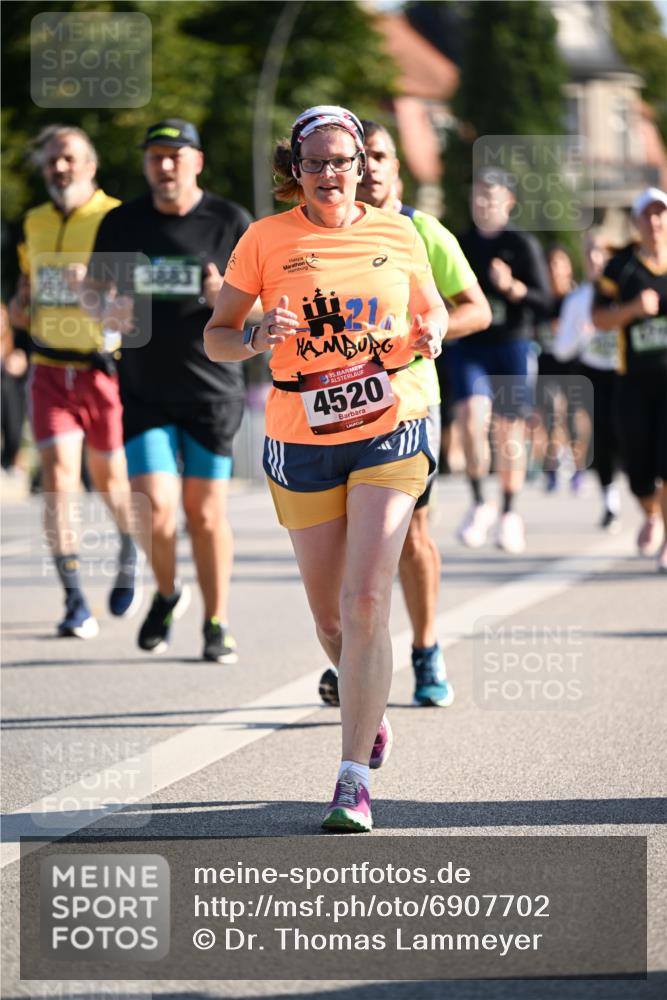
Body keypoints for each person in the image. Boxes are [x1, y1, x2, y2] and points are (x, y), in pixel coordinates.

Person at [204, 106, 447, 832]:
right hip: (301, 435)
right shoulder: (264, 239)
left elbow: (431, 309)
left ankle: (350, 783)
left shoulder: (396, 232)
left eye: (344, 161)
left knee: (366, 599)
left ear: (360, 165)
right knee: (331, 617)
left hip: (390, 425)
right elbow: (216, 337)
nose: (332, 174)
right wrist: (252, 334)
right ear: (296, 169)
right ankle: (362, 697)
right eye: (316, 163)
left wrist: (430, 328)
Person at [316, 119, 491, 710]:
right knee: (338, 539)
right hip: (334, 405)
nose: (370, 170)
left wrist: (430, 332)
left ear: (394, 168)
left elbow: (476, 309)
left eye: (382, 157)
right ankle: (357, 658)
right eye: (362, 158)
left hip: (409, 402)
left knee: (410, 532)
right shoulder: (321, 230)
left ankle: (424, 646)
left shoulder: (421, 230)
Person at [89, 119, 253, 661]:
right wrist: (104, 308)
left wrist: (221, 297)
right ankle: (166, 592)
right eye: (155, 157)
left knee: (204, 516)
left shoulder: (230, 222)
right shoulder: (121, 223)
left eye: (175, 157)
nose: (164, 167)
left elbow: (263, 309)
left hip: (212, 391)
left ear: (197, 162)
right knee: (155, 509)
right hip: (145, 389)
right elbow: (94, 294)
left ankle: (217, 620)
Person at [8, 125, 140, 638]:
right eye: (51, 162)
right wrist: (22, 305)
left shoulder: (117, 218)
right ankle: (74, 599)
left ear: (91, 164)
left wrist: (94, 293)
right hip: (47, 369)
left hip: (101, 369)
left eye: (68, 159)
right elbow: (23, 305)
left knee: (108, 481)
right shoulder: (34, 222)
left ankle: (130, 549)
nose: (58, 169)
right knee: (58, 479)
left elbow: (134, 309)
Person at [452, 170, 553, 553]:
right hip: (471, 345)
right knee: (470, 422)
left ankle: (510, 513)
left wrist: (512, 286)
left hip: (512, 344)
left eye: (491, 198)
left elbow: (546, 301)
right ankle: (481, 503)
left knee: (508, 433)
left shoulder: (521, 244)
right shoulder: (460, 244)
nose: (483, 204)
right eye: (478, 197)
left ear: (508, 202)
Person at [592, 187, 667, 572]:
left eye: (660, 214)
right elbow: (598, 318)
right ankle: (651, 513)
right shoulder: (621, 268)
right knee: (638, 471)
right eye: (647, 216)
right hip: (633, 382)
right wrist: (634, 309)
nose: (654, 222)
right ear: (637, 223)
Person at [553, 234, 621, 529]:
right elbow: (560, 348)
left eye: (602, 253)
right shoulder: (577, 299)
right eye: (591, 253)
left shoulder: (626, 290)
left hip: (626, 372)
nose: (596, 259)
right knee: (600, 436)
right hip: (593, 373)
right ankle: (609, 498)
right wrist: (582, 337)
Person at [535, 246, 590, 494]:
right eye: (551, 265)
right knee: (550, 414)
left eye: (560, 263)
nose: (555, 269)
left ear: (569, 268)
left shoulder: (577, 298)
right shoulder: (542, 298)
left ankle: (578, 468)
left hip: (572, 364)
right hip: (546, 362)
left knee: (574, 417)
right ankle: (551, 466)